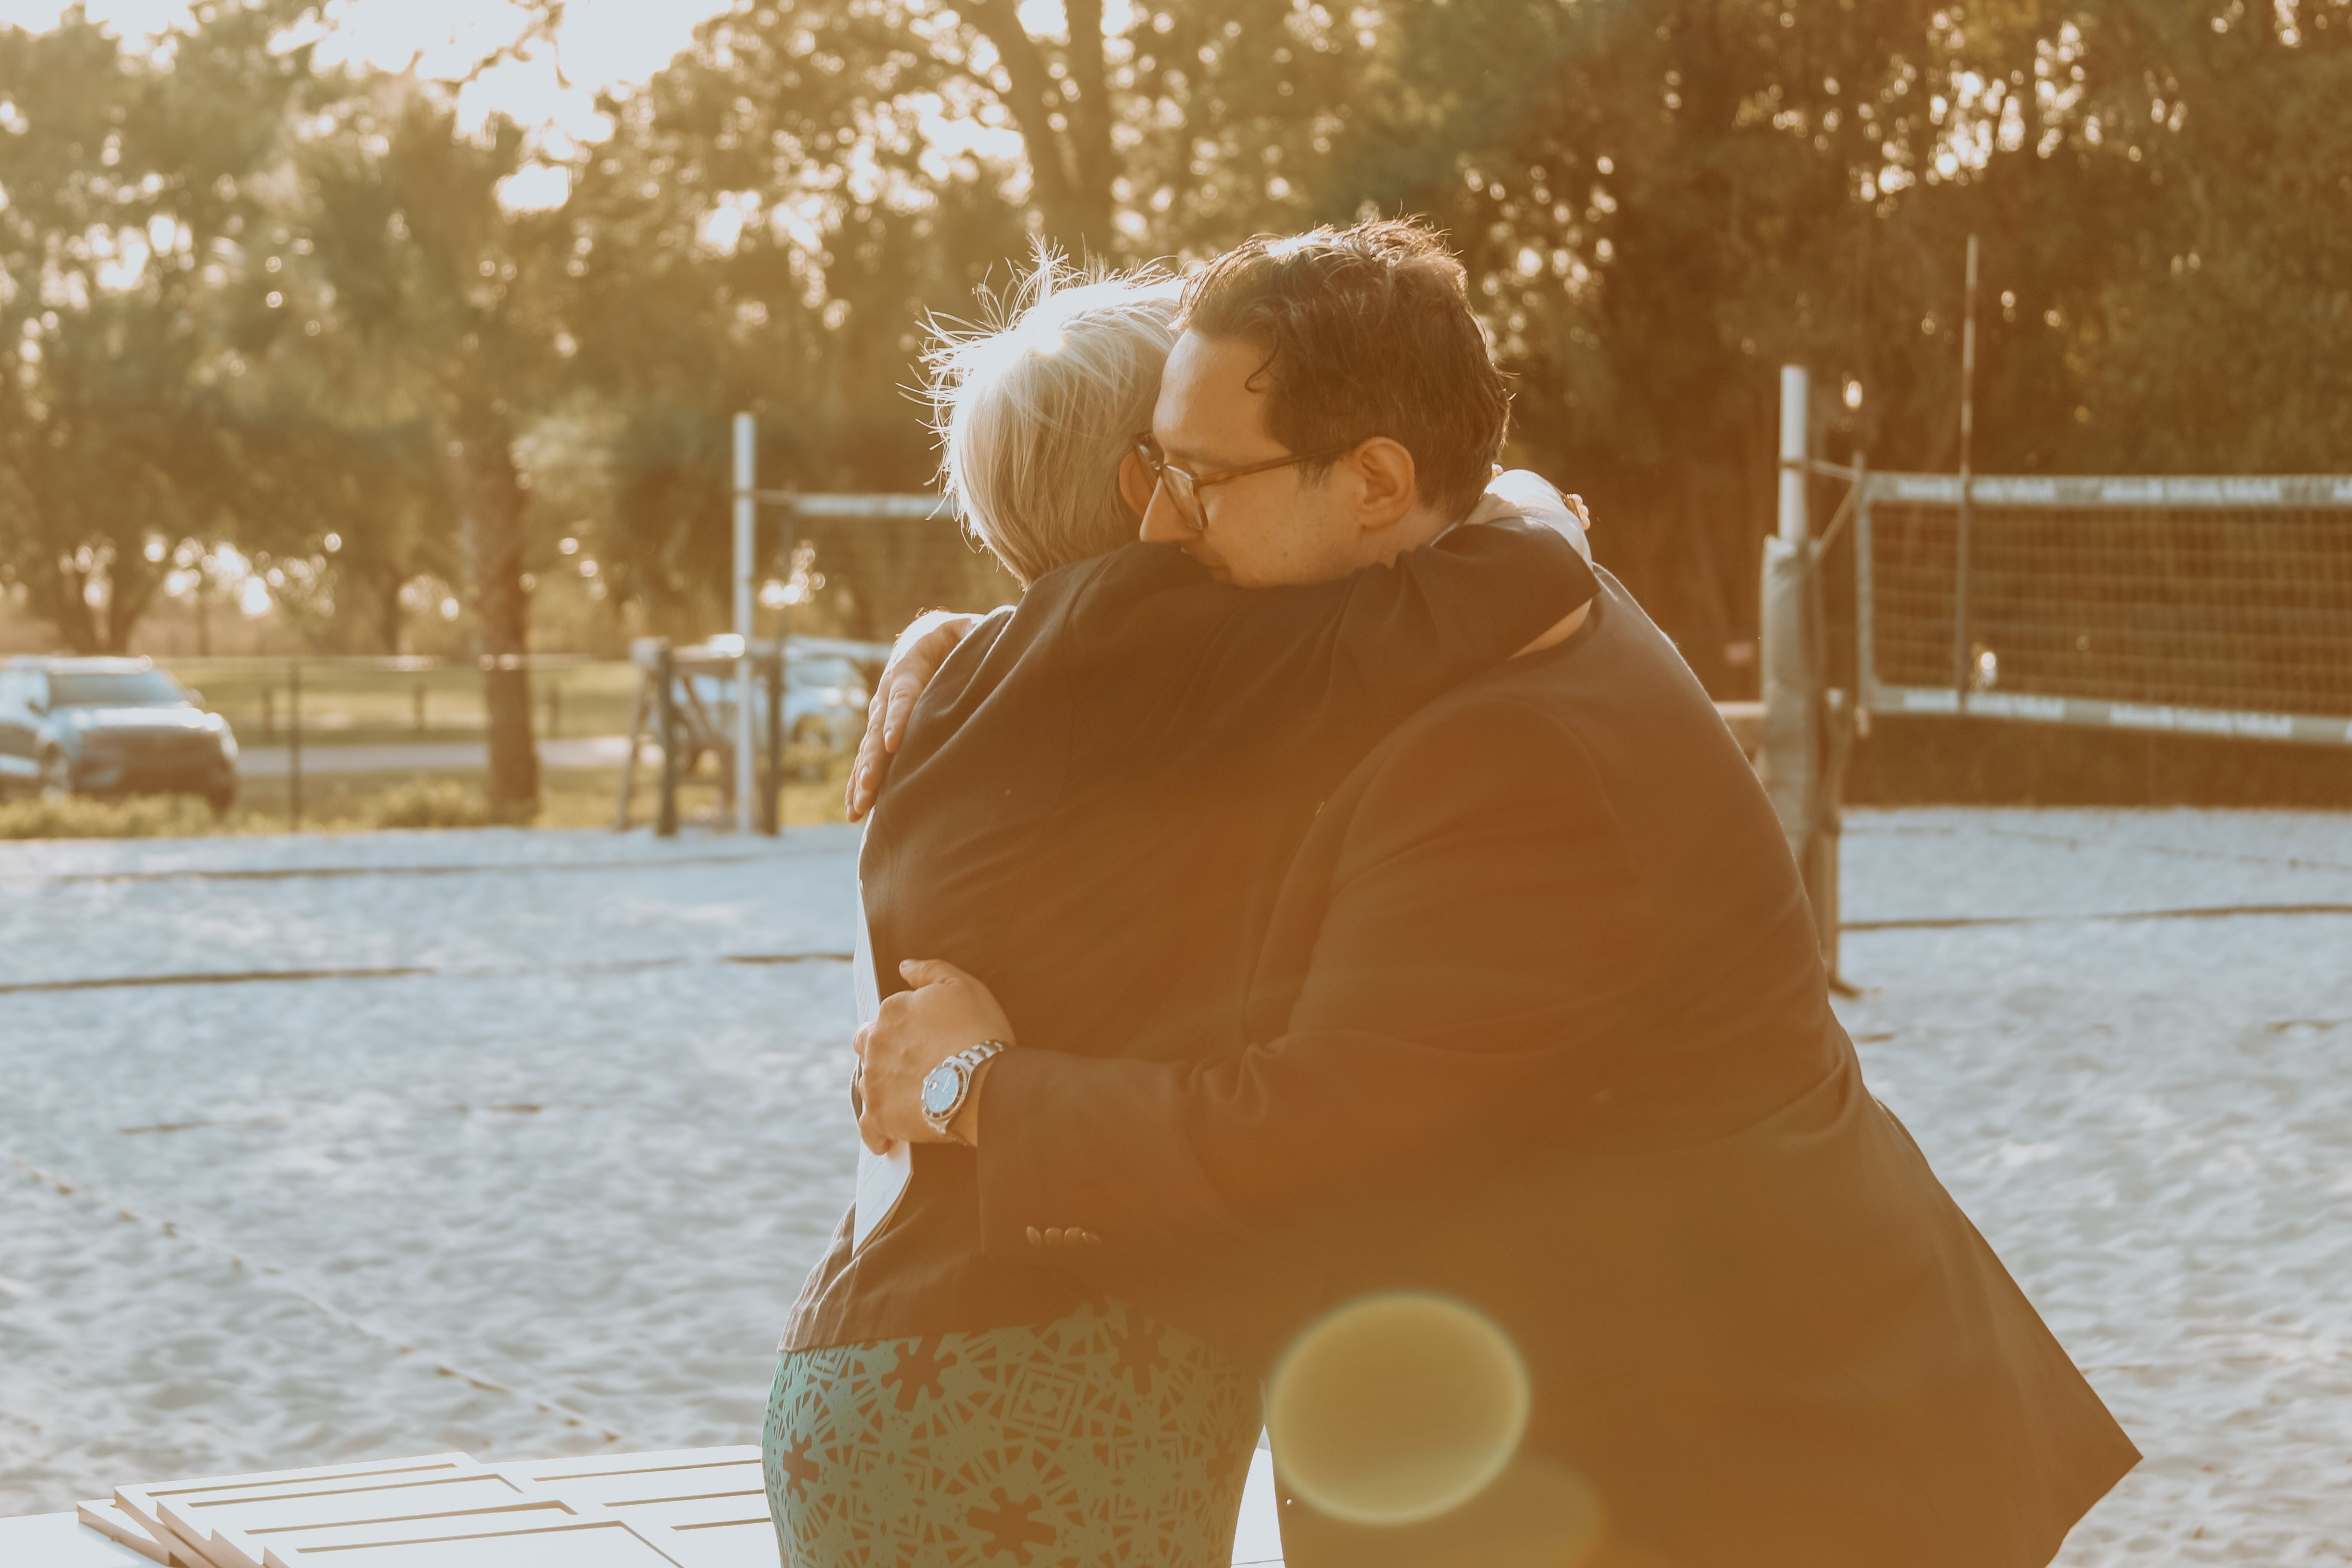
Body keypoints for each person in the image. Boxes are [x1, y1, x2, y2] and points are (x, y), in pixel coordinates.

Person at [856, 219, 2141, 1568]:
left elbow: (1310, 1130)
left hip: (1739, 1472)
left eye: (1194, 475)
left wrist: (979, 1092)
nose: (1160, 518)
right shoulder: (1457, 610)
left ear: (1372, 481)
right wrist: (985, 645)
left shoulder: (1506, 751)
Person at [764, 253, 1599, 1566]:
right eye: (1192, 454)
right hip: (1040, 1389)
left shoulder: (991, 667)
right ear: (1142, 485)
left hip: (855, 1362)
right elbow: (1532, 581)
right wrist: (1524, 493)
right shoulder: (1199, 650)